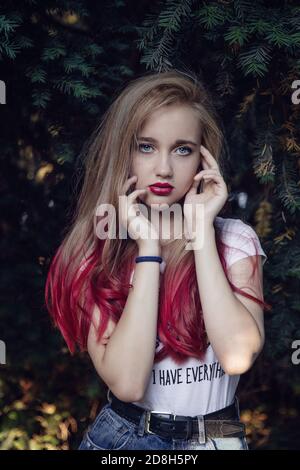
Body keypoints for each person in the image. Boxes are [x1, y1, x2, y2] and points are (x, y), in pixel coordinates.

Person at [45, 69, 271, 450]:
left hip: (218, 438)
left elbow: (236, 356)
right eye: (145, 147)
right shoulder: (97, 250)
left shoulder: (234, 240)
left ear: (204, 160)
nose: (164, 168)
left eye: (182, 149)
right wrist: (148, 249)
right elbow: (129, 383)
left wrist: (200, 233)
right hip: (126, 442)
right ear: (123, 153)